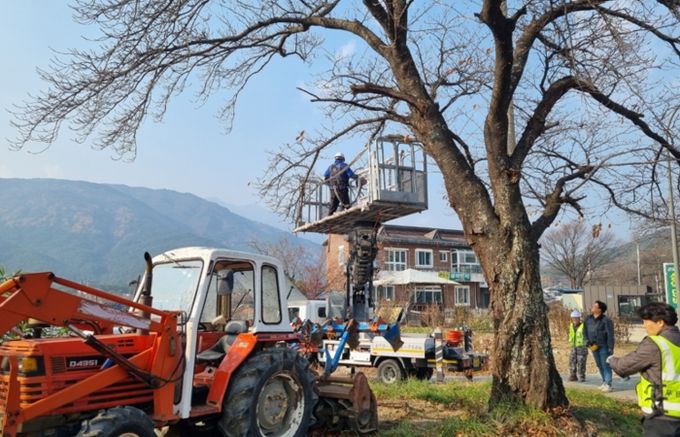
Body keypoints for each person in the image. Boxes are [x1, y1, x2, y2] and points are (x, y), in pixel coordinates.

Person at [608, 302, 680, 436]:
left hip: (662, 417)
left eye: (646, 321)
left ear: (660, 322)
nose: (644, 325)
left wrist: (611, 360)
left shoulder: (655, 344)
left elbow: (623, 367)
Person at [585, 300, 615, 392]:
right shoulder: (588, 319)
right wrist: (587, 341)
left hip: (603, 345)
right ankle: (604, 382)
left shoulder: (606, 320)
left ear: (600, 310)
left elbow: (610, 334)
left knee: (605, 365)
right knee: (599, 365)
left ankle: (608, 384)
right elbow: (585, 331)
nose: (592, 307)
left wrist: (610, 347)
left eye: (595, 306)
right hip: (593, 345)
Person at [568, 310, 587, 382]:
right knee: (572, 361)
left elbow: (587, 336)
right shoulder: (571, 326)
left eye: (576, 318)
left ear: (579, 318)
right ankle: (573, 375)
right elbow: (570, 334)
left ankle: (582, 376)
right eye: (573, 318)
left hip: (582, 347)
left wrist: (586, 343)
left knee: (581, 362)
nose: (575, 320)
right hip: (573, 347)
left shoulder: (583, 326)